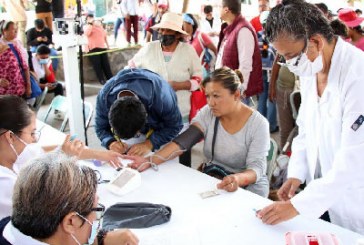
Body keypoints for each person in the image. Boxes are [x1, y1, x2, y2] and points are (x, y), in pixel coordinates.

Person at [256, 0, 364, 235]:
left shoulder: (358, 75)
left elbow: (354, 158)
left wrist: (297, 206)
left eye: (291, 56)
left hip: (354, 199)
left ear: (315, 41)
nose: (289, 65)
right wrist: (297, 173)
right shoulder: (311, 67)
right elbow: (305, 128)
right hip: (321, 191)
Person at [124, 67, 270, 197]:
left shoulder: (258, 124)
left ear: (236, 95)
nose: (211, 102)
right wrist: (149, 161)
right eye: (207, 96)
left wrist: (237, 179)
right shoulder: (209, 113)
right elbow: (183, 142)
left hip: (248, 189)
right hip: (216, 179)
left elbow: (256, 168)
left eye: (216, 96)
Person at [0, 95, 124, 219]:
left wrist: (101, 154)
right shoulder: (6, 184)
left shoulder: (11, 154)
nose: (35, 139)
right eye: (31, 133)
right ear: (10, 137)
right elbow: (48, 210)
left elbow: (45, 151)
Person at [0, 152, 139, 245]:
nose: (95, 220)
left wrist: (99, 239)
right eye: (96, 210)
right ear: (71, 222)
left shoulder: (7, 225)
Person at [128, 12, 202, 123]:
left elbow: (198, 79)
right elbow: (129, 70)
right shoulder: (149, 48)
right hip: (152, 116)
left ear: (177, 34)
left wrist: (178, 85)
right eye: (161, 30)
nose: (163, 33)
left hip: (181, 115)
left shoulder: (188, 51)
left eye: (168, 30)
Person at [95, 68, 183, 157]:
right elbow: (100, 127)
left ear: (146, 116)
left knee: (163, 166)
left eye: (136, 134)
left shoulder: (162, 95)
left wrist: (150, 143)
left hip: (161, 131)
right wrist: (110, 142)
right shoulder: (104, 98)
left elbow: (175, 126)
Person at [216, 0, 263, 103]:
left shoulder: (243, 30)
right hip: (226, 90)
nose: (217, 10)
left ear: (226, 9)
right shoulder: (231, 28)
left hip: (235, 94)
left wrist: (238, 91)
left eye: (219, 7)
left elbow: (245, 66)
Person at [256, 10, 278, 133]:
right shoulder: (276, 36)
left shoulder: (257, 35)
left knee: (262, 99)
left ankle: (260, 126)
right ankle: (271, 126)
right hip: (273, 72)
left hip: (260, 71)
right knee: (272, 97)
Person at [0, 20, 31, 98]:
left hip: (18, 90)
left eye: (16, 29)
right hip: (3, 94)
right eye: (13, 29)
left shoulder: (15, 46)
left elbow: (25, 67)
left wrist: (28, 85)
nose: (16, 31)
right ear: (4, 31)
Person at [84, 14, 113, 85]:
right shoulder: (87, 27)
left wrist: (108, 45)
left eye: (92, 18)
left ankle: (110, 78)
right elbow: (87, 34)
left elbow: (104, 36)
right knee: (97, 65)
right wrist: (90, 24)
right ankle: (101, 79)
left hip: (102, 47)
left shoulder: (100, 26)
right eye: (89, 18)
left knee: (106, 64)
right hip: (93, 48)